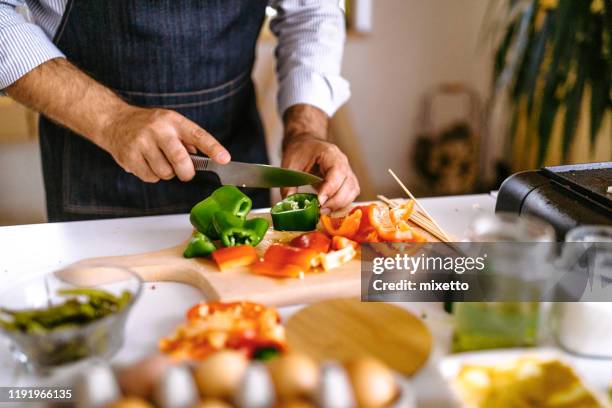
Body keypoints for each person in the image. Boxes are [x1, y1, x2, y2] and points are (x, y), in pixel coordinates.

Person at [0, 0, 360, 221]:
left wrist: (305, 130)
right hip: (94, 175)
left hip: (236, 161)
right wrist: (111, 119)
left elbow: (311, 9)